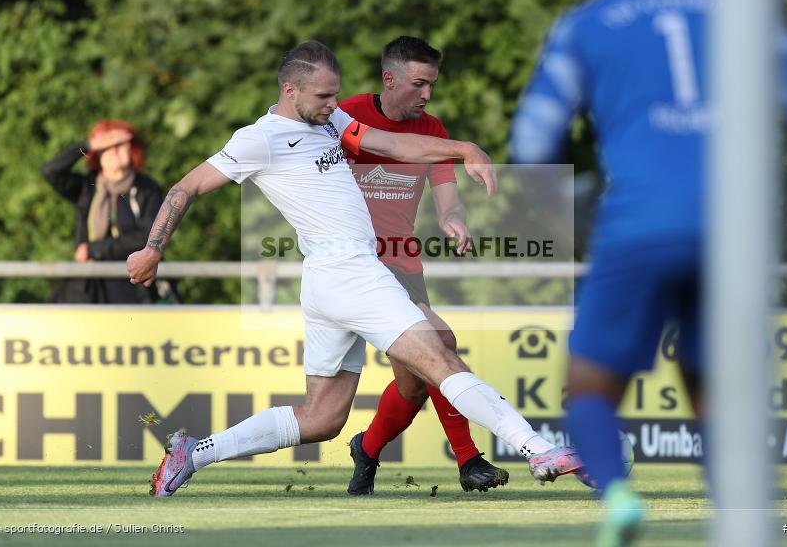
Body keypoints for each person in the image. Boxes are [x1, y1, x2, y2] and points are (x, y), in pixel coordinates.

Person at [127, 40, 582, 498]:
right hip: (348, 272)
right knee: (440, 357)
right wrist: (152, 248)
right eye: (324, 96)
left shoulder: (333, 121)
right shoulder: (259, 138)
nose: (334, 104)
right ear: (290, 90)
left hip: (332, 277)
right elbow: (185, 188)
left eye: (335, 94)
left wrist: (464, 148)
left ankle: (193, 453)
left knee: (322, 417)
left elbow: (393, 144)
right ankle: (537, 448)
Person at [510, 0, 787, 545]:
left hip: (636, 224)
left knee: (589, 389)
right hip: (736, 229)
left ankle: (617, 495)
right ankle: (742, 522)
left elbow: (530, 147)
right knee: (714, 388)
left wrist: (573, 221)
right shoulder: (749, 15)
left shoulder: (587, 22)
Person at [339, 36, 509, 494]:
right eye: (418, 84)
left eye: (432, 84)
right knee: (440, 343)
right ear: (389, 79)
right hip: (357, 265)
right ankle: (469, 460)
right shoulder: (347, 115)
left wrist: (455, 221)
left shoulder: (433, 129)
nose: (427, 95)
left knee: (414, 386)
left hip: (404, 266)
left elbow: (447, 200)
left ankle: (367, 449)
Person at [42, 119, 169, 304]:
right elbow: (51, 171)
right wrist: (87, 145)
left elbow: (149, 238)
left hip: (133, 287)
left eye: (120, 145)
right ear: (97, 155)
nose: (114, 151)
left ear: (132, 149)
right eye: (107, 147)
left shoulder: (147, 189)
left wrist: (94, 249)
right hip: (89, 288)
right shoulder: (88, 187)